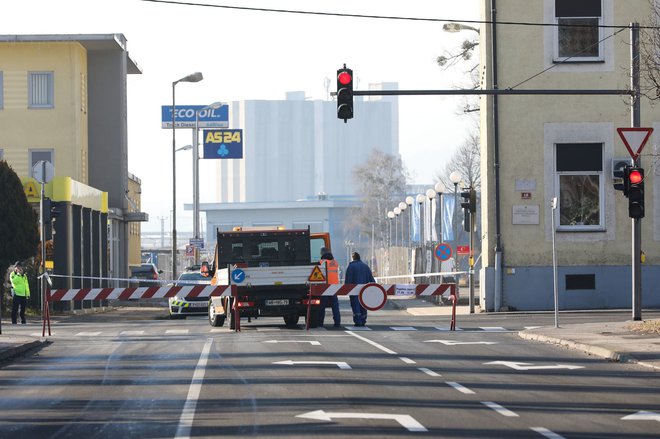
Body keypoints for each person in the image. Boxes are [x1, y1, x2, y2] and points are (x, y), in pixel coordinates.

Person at [344, 252, 375, 326]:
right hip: (364, 290)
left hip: (353, 290)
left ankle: (358, 321)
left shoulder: (351, 267)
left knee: (355, 305)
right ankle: (363, 319)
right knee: (363, 304)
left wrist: (346, 289)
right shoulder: (365, 266)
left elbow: (348, 280)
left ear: (353, 258)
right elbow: (371, 280)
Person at [318, 247, 341, 327]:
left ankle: (320, 323)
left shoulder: (321, 262)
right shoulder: (335, 262)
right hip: (334, 287)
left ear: (322, 253)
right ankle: (337, 323)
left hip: (325, 287)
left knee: (322, 307)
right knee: (335, 306)